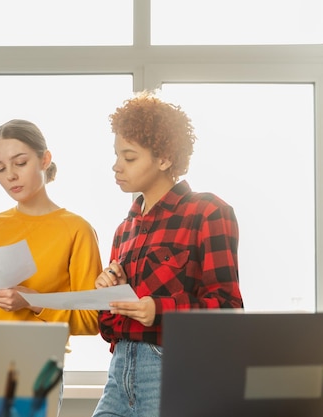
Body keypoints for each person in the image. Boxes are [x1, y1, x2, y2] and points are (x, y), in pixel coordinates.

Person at [91, 91, 244, 417]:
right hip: (119, 376)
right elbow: (110, 330)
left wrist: (158, 310)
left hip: (171, 369)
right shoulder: (124, 229)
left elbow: (229, 310)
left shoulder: (208, 212)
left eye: (129, 157)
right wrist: (106, 297)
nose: (116, 166)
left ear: (164, 159)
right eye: (116, 155)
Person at [0, 118, 102, 335]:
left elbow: (91, 320)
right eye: (0, 168)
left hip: (38, 358)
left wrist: (31, 301)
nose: (10, 175)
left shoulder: (77, 230)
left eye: (21, 163)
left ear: (45, 159)